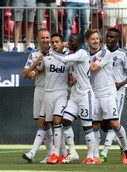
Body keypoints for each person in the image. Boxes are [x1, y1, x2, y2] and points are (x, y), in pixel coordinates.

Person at [85, 28, 127, 165]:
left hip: (108, 92)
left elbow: (93, 67)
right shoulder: (86, 54)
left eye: (97, 38)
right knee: (95, 125)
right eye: (93, 39)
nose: (96, 41)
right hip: (95, 93)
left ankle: (125, 148)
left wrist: (80, 58)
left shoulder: (105, 52)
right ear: (87, 41)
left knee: (114, 123)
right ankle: (95, 156)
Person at [49, 33, 96, 164]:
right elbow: (69, 70)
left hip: (85, 95)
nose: (70, 42)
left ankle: (91, 156)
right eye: (69, 40)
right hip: (75, 95)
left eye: (73, 41)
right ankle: (73, 152)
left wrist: (51, 52)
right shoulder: (73, 56)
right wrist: (71, 79)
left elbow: (64, 60)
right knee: (65, 121)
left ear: (79, 43)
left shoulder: (82, 53)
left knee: (87, 126)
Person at [31, 33, 71, 164]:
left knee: (57, 120)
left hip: (62, 93)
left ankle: (56, 153)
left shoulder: (68, 58)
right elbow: (38, 71)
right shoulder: (47, 57)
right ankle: (63, 153)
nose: (54, 44)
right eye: (52, 42)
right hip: (48, 94)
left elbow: (73, 73)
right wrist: (32, 71)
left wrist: (73, 79)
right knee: (50, 123)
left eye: (57, 42)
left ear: (62, 43)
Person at [99, 27, 127, 162]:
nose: (108, 39)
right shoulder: (101, 53)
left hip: (117, 92)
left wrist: (121, 83)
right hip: (102, 91)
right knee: (102, 124)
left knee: (113, 122)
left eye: (112, 37)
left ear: (118, 39)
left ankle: (104, 153)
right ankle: (123, 145)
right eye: (107, 36)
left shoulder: (122, 54)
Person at [22, 28, 54, 164]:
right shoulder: (34, 54)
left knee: (48, 122)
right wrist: (36, 64)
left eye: (47, 37)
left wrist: (35, 70)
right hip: (39, 90)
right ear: (38, 39)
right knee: (42, 123)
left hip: (52, 90)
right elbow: (26, 74)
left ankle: (52, 153)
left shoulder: (56, 52)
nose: (46, 40)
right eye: (43, 38)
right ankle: (51, 153)